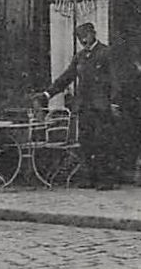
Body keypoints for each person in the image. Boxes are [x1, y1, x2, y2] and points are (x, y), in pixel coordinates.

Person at [43, 22, 121, 189]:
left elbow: (115, 80)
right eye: (80, 37)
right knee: (86, 143)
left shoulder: (106, 53)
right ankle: (89, 178)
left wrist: (114, 102)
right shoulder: (79, 57)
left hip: (101, 108)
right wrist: (48, 94)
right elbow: (66, 77)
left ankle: (105, 180)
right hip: (84, 107)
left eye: (85, 36)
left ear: (94, 34)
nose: (83, 40)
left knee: (102, 143)